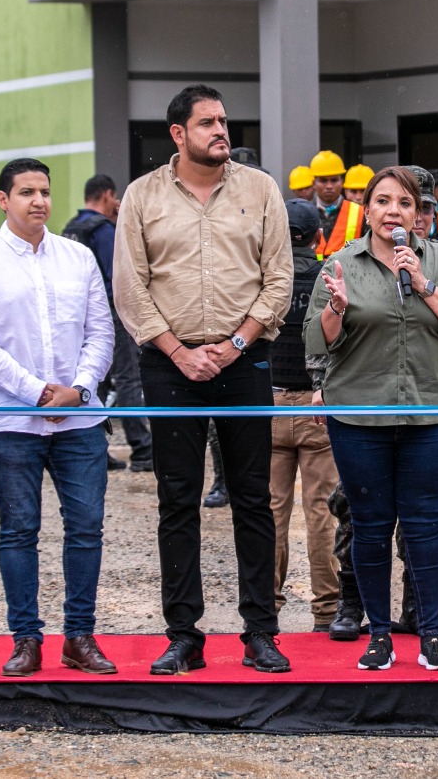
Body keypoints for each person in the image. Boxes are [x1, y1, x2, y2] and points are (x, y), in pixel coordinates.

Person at [113, 84, 293, 676]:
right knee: (178, 501)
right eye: (209, 122)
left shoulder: (260, 189)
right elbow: (131, 288)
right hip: (171, 368)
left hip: (246, 363)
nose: (222, 130)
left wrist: (236, 343)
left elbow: (279, 281)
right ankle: (184, 636)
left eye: (224, 120)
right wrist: (178, 351)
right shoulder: (142, 197)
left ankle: (260, 633)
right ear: (178, 134)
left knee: (253, 501)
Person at [305, 166, 438, 672]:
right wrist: (336, 310)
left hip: (428, 416)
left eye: (404, 203)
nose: (394, 211)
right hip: (359, 419)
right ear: (367, 211)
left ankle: (431, 634)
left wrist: (425, 284)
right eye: (383, 201)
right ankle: (379, 635)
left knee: (424, 526)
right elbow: (314, 340)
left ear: (418, 213)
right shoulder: (341, 264)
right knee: (368, 526)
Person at [0, 157, 118, 677]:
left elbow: (101, 332)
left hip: (80, 421)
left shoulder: (77, 258)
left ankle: (79, 637)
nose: (39, 201)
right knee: (19, 531)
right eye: (26, 192)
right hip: (11, 424)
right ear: (4, 200)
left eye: (44, 191)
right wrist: (38, 392)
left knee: (86, 529)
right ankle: (26, 639)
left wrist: (81, 388)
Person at [269, 199, 338, 632]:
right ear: (318, 238)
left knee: (271, 512)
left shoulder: (262, 280)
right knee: (322, 512)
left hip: (268, 405)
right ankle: (327, 613)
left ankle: (266, 612)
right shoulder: (332, 279)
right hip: (320, 407)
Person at [63, 174, 152, 472]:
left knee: (93, 380)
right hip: (109, 316)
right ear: (107, 195)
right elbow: (119, 276)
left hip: (76, 318)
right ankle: (142, 450)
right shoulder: (103, 231)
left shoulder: (70, 229)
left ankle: (96, 449)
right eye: (115, 198)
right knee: (128, 380)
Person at [309, 150, 362, 259]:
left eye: (334, 180)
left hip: (347, 274)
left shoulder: (360, 213)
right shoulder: (304, 213)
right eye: (323, 181)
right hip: (313, 275)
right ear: (314, 184)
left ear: (341, 182)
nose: (329, 186)